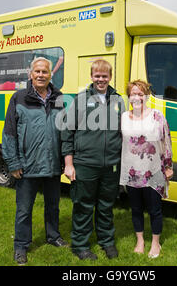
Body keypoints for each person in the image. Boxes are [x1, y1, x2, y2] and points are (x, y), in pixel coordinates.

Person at [2, 57, 68, 265]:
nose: (41, 75)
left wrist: (66, 160)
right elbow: (9, 133)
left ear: (51, 75)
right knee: (23, 210)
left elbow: (64, 131)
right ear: (31, 75)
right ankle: (21, 246)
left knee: (53, 206)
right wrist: (13, 163)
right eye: (37, 71)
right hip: (27, 165)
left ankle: (53, 236)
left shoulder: (58, 98)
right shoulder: (19, 97)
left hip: (52, 165)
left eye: (45, 72)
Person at [61, 59, 125, 260]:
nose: (101, 79)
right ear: (91, 77)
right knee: (83, 206)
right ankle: (80, 245)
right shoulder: (80, 100)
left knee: (106, 205)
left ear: (110, 77)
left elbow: (125, 131)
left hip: (111, 165)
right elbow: (67, 132)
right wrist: (69, 164)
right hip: (85, 164)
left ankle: (107, 241)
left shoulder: (119, 100)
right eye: (97, 75)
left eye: (104, 76)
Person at [120, 79, 173, 259]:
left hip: (154, 171)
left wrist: (168, 166)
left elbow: (166, 142)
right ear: (129, 97)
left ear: (147, 96)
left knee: (154, 209)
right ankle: (140, 240)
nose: (136, 97)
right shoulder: (124, 117)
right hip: (132, 172)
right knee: (135, 209)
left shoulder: (157, 116)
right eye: (133, 93)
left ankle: (156, 243)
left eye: (140, 94)